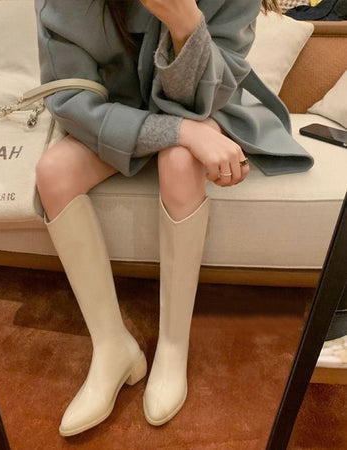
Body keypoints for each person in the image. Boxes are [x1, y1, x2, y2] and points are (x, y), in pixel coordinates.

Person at [35, 0, 313, 437]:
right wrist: (177, 131)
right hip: (116, 117)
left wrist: (185, 23)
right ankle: (111, 347)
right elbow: (70, 103)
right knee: (53, 171)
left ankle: (172, 345)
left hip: (204, 107)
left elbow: (202, 101)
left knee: (180, 163)